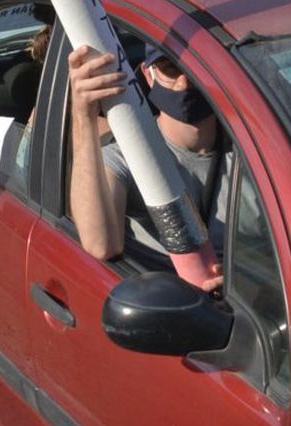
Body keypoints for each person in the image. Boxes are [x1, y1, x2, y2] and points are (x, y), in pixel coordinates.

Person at [67, 44, 229, 291]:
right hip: (175, 310)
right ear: (148, 74)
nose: (184, 81)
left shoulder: (254, 152)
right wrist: (84, 115)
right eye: (170, 69)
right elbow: (100, 243)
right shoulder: (127, 157)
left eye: (195, 68)